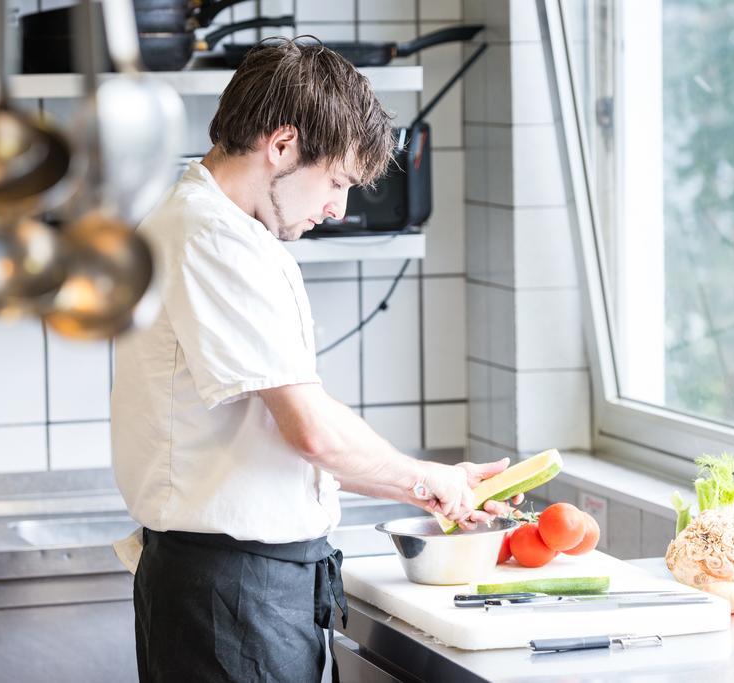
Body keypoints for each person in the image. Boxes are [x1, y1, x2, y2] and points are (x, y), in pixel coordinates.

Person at [110, 38, 521, 683]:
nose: (338, 208)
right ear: (281, 145)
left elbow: (299, 427)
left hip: (250, 590)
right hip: (230, 596)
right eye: (335, 181)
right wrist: (422, 480)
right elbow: (311, 431)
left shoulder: (227, 231)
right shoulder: (209, 237)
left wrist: (433, 483)